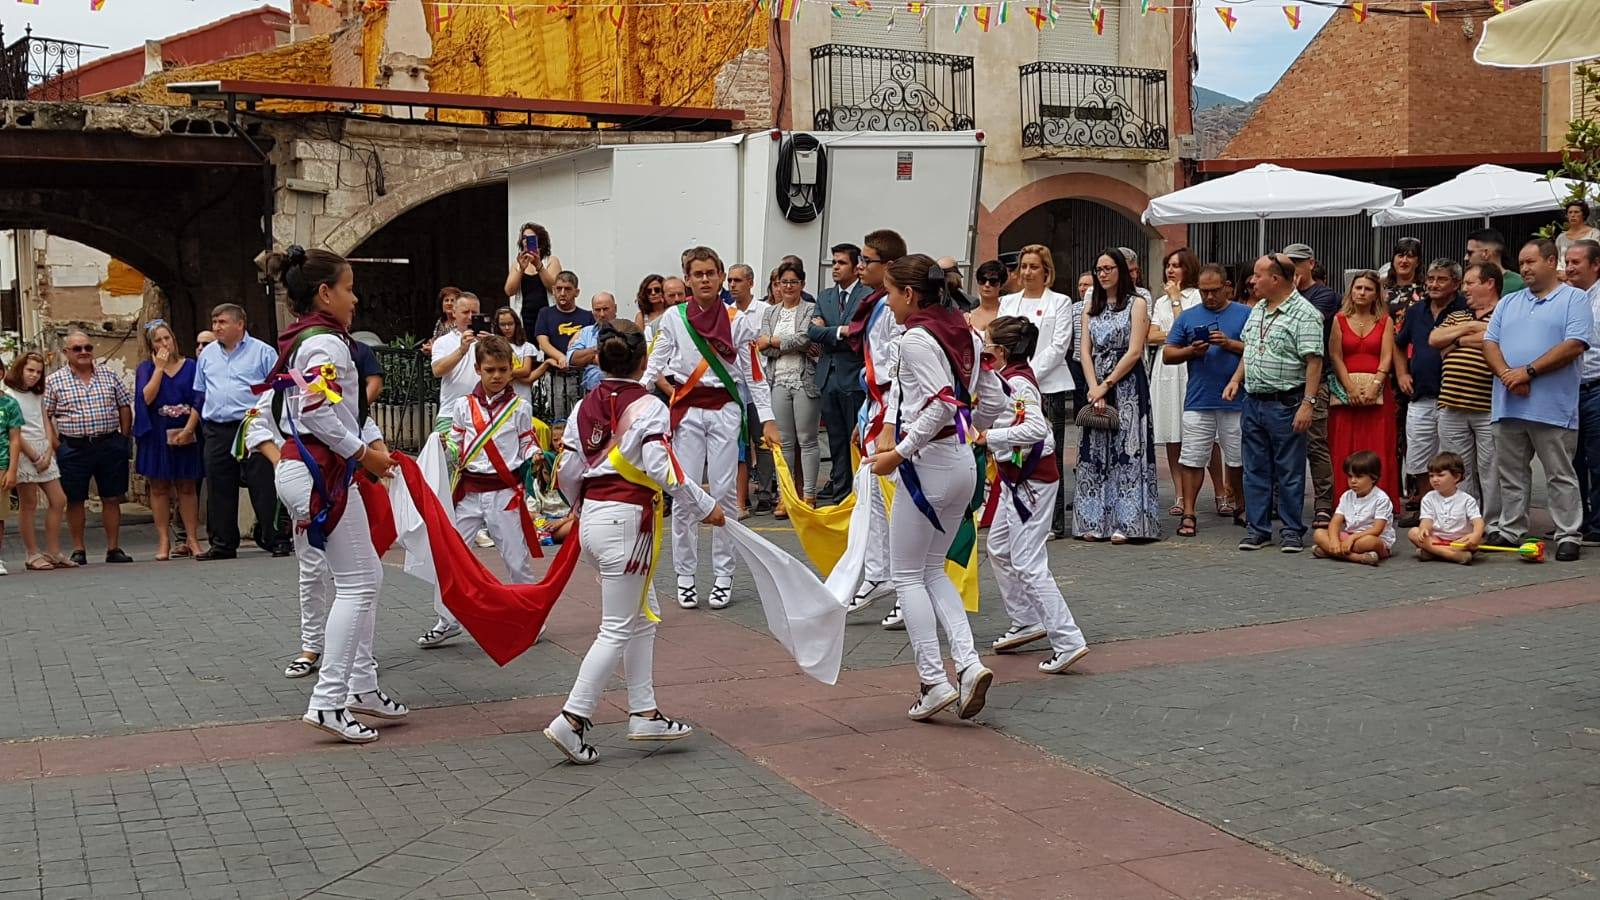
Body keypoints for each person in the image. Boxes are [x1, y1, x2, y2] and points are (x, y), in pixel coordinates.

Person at [546, 321, 722, 764]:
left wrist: (580, 508)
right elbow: (663, 467)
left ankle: (643, 712)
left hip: (593, 520)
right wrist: (704, 505)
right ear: (644, 361)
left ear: (600, 359)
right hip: (629, 521)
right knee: (618, 626)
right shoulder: (649, 405)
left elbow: (568, 470)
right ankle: (571, 719)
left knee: (643, 615)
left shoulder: (584, 403)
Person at [264, 245, 405, 743]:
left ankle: (361, 686)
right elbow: (316, 413)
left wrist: (366, 448)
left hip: (318, 471)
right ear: (325, 292)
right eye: (348, 287)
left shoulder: (312, 340)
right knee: (359, 582)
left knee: (365, 575)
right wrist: (362, 453)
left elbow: (332, 413)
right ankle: (329, 700)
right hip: (317, 474)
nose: (355, 297)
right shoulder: (324, 344)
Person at [868, 254, 1005, 721]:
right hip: (961, 463)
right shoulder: (964, 329)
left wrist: (899, 452)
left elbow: (942, 404)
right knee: (932, 570)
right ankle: (967, 664)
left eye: (889, 293)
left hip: (928, 466)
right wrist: (973, 433)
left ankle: (934, 679)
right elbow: (991, 398)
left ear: (909, 294)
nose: (887, 303)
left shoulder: (916, 339)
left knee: (907, 574)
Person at [645, 246, 780, 610]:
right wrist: (632, 394)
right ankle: (685, 576)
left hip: (724, 411)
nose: (705, 279)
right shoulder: (674, 318)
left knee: (723, 496)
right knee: (686, 495)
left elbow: (754, 374)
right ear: (687, 279)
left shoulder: (739, 321)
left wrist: (766, 419)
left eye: (711, 273)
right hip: (686, 411)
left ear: (721, 277)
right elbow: (656, 361)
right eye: (697, 274)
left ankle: (724, 575)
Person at [415, 335, 541, 650]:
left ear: (511, 370)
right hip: (468, 491)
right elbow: (458, 445)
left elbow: (527, 442)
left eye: (502, 369)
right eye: (489, 370)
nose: (496, 376)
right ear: (478, 370)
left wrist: (537, 454)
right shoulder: (462, 406)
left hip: (504, 493)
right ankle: (447, 620)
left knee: (515, 558)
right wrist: (448, 446)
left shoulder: (519, 408)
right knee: (452, 555)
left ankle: (529, 617)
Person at [978, 315, 1089, 673]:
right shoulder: (1006, 380)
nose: (983, 347)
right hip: (1016, 478)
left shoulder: (1018, 384)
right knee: (999, 546)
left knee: (1028, 561)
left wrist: (989, 438)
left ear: (1001, 351)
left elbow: (1036, 428)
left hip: (1032, 481)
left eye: (987, 342)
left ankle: (1068, 639)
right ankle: (1026, 619)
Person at [1482, 239, 1592, 561]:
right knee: (1511, 473)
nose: (1525, 269)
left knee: (1560, 474)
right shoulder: (1509, 302)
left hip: (1552, 406)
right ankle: (1511, 529)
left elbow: (1575, 344)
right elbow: (1490, 342)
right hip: (1508, 402)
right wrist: (1507, 374)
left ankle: (1569, 533)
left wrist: (1527, 372)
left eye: (1531, 262)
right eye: (1521, 263)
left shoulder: (1574, 298)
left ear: (1551, 261)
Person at [1224, 254, 1325, 553]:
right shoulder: (1257, 311)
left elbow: (1314, 362)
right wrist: (1235, 379)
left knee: (1289, 470)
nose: (1252, 281)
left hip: (1286, 402)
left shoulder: (1305, 314)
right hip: (1253, 401)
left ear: (1276, 279)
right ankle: (1258, 529)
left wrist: (1308, 403)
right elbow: (1250, 350)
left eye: (1257, 275)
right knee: (1254, 468)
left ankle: (1292, 530)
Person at [843, 229, 908, 626]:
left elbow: (897, 370)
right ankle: (878, 573)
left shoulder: (894, 309)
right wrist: (864, 415)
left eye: (867, 260)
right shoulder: (877, 305)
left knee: (896, 499)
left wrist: (888, 420)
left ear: (888, 266)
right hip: (875, 406)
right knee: (867, 495)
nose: (861, 265)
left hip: (892, 412)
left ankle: (905, 585)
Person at [1074, 249, 1160, 543]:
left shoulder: (1136, 303)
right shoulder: (1091, 304)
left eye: (1109, 268)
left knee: (1127, 449)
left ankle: (1129, 520)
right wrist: (1093, 387)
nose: (1103, 274)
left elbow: (1136, 350)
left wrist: (1106, 385)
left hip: (1126, 383)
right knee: (1095, 449)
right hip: (1096, 378)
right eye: (1099, 269)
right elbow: (1084, 349)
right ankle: (1093, 519)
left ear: (1121, 270)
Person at [1163, 263, 1250, 537]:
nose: (1209, 297)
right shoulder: (1188, 317)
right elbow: (1168, 354)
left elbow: (1258, 350)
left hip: (1236, 399)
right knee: (1192, 458)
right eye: (1203, 292)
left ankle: (1240, 505)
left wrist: (1229, 344)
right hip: (1199, 398)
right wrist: (1192, 350)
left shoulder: (1245, 314)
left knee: (1237, 458)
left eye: (1214, 291)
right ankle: (1189, 512)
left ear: (1227, 287)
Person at [194, 304, 283, 560]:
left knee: (263, 482)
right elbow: (201, 390)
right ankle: (222, 543)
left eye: (222, 322)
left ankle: (275, 538)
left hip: (252, 426)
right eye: (214, 322)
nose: (216, 327)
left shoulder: (263, 353)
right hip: (217, 428)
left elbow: (275, 390)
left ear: (239, 324)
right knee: (219, 484)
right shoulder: (208, 355)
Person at [999, 245, 1076, 539]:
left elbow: (1059, 345)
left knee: (1049, 452)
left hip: (1050, 385)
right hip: (1014, 386)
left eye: (1034, 266)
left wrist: (1029, 375)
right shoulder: (1008, 303)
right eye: (1024, 266)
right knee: (1015, 449)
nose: (1028, 272)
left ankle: (1054, 521)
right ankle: (1016, 512)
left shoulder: (1060, 301)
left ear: (1046, 271)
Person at [44, 330, 134, 566]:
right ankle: (78, 549)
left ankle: (113, 548)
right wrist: (55, 444)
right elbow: (45, 414)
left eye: (88, 348)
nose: (84, 352)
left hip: (108, 443)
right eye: (77, 349)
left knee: (112, 497)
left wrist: (124, 437)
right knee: (74, 499)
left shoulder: (108, 374)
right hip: (73, 446)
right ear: (66, 353)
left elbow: (124, 404)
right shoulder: (54, 381)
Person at [1394, 259, 1467, 526]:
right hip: (1421, 395)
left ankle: (1454, 516)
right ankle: (1428, 512)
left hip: (1455, 396)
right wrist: (1401, 373)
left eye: (1441, 280)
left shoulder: (1466, 308)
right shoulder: (1416, 311)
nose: (1434, 285)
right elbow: (1398, 344)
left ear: (1456, 283)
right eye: (1431, 279)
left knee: (1451, 457)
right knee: (1419, 458)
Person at [1431, 262, 1504, 525]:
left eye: (1470, 283)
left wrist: (1458, 341)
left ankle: (1492, 523)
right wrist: (1470, 329)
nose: (1465, 289)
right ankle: (1462, 522)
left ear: (1490, 283)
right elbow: (1435, 339)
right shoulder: (1458, 314)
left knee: (1491, 470)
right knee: (1457, 469)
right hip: (1451, 405)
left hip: (1488, 407)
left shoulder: (1504, 312)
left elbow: (1498, 337)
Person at [1327, 270, 1400, 512]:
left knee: (1378, 445)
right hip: (1346, 393)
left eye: (1368, 289)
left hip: (1377, 392)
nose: (1362, 292)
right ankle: (1344, 503)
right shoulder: (1339, 319)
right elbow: (1335, 356)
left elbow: (1387, 356)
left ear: (1376, 294)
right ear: (1351, 291)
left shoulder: (1385, 321)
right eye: (1358, 288)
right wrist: (1349, 387)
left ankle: (1381, 505)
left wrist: (1375, 385)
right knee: (1343, 446)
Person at [134, 320, 204, 561]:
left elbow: (198, 399)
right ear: (151, 345)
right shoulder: (146, 369)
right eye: (158, 340)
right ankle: (163, 539)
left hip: (186, 429)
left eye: (167, 338)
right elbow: (146, 398)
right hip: (157, 432)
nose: (164, 344)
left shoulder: (191, 366)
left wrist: (189, 428)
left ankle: (192, 538)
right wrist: (159, 369)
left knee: (187, 486)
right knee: (159, 487)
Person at [809, 243, 871, 506]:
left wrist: (831, 331)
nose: (835, 267)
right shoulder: (824, 296)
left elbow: (858, 333)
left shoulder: (866, 295)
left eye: (841, 262)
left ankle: (861, 494)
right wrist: (839, 331)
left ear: (856, 267)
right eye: (833, 262)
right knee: (835, 439)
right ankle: (841, 493)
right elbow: (812, 333)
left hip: (853, 375)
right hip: (828, 376)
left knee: (854, 438)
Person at [1283, 243, 1340, 528]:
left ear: (1311, 264)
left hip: (1315, 380)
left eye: (1297, 262)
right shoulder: (1281, 296)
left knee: (1316, 443)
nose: (1292, 268)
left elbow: (1307, 321)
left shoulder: (1325, 296)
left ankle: (1323, 504)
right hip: (1284, 380)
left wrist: (1290, 292)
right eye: (1288, 263)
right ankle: (1281, 501)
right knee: (1284, 442)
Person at [759, 260, 819, 513]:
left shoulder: (810, 309)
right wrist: (787, 343)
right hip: (778, 381)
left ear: (802, 284)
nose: (788, 286)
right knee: (784, 443)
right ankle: (787, 496)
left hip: (805, 380)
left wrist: (774, 340)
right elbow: (762, 346)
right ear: (777, 286)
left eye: (794, 282)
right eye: (784, 282)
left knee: (807, 440)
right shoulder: (770, 313)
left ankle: (809, 495)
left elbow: (806, 337)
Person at [4, 352, 73, 571]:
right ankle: (32, 553)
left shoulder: (37, 393)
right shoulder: (9, 393)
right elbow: (14, 431)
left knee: (59, 499)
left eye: (38, 372)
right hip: (24, 451)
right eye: (30, 370)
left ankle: (53, 551)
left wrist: (50, 449)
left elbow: (45, 421)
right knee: (29, 503)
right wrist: (33, 455)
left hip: (43, 449)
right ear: (20, 369)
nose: (34, 376)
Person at [1149, 248, 1203, 516]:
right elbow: (1151, 334)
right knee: (1171, 432)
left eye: (1177, 265)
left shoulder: (1195, 296)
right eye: (1168, 265)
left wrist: (1174, 300)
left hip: (1188, 366)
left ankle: (1213, 490)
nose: (1171, 270)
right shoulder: (1159, 301)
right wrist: (1173, 335)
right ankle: (1179, 494)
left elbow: (1189, 328)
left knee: (1195, 430)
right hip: (1165, 368)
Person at [728, 263, 775, 518]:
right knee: (739, 445)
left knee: (762, 440)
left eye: (737, 280)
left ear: (750, 283)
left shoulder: (765, 311)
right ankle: (739, 494)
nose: (732, 285)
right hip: (735, 388)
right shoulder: (726, 313)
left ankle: (766, 491)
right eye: (730, 281)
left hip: (759, 384)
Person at [1563, 240, 1600, 542]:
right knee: (1570, 461)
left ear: (1595, 264)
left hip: (1596, 387)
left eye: (1576, 262)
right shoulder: (1564, 298)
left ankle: (1599, 525)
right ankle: (1577, 522)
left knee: (1597, 460)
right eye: (1567, 261)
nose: (1569, 267)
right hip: (1566, 391)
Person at [1313, 450, 1396, 566]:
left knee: (1370, 542)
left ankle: (1331, 552)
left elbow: (1377, 529)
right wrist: (1334, 540)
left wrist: (1352, 539)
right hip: (1349, 536)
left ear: (1373, 478)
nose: (1353, 481)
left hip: (1370, 538)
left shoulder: (1381, 498)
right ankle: (1357, 557)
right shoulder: (1347, 496)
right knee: (1319, 533)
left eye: (1359, 477)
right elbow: (1335, 523)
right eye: (1350, 476)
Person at [533, 271, 595, 421]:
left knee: (583, 417)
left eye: (567, 289)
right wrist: (561, 357)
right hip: (556, 375)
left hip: (581, 375)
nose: (562, 293)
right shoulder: (545, 313)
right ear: (553, 289)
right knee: (558, 419)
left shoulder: (587, 316)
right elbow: (542, 342)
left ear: (576, 292)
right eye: (558, 288)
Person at [1406, 451, 1484, 564]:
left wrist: (1476, 535)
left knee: (1477, 541)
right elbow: (1426, 520)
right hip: (1436, 539)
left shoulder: (1467, 499)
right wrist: (1424, 529)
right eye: (1431, 476)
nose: (1434, 479)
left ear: (1456, 477)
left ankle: (1432, 552)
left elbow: (1478, 522)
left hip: (1459, 541)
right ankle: (1451, 555)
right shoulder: (1428, 498)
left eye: (1440, 475)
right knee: (1413, 532)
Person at [430, 292, 488, 432]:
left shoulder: (490, 341)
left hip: (484, 411)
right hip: (450, 413)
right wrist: (462, 350)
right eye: (465, 312)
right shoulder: (442, 342)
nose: (469, 317)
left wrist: (489, 345)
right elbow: (437, 371)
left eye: (474, 313)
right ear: (454, 313)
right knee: (448, 452)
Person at [504, 222, 561, 326]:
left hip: (547, 315)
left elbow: (555, 288)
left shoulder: (551, 261)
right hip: (524, 317)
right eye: (524, 238)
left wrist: (539, 266)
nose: (526, 241)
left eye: (531, 238)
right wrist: (521, 269)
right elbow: (509, 291)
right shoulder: (517, 263)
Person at [494, 306, 549, 409]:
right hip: (500, 398)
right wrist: (513, 373)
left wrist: (505, 372)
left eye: (510, 324)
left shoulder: (526, 346)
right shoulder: (494, 347)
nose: (507, 328)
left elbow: (525, 371)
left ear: (516, 324)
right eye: (502, 325)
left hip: (522, 396)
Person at [566, 292, 619, 393]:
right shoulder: (586, 332)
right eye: (597, 310)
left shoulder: (626, 329)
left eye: (606, 309)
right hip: (592, 392)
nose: (602, 314)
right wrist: (597, 350)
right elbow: (571, 358)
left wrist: (589, 358)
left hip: (619, 391)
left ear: (615, 308)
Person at [1465, 229, 1524, 295]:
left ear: (1486, 253)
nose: (1466, 258)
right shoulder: (1470, 284)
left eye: (1470, 253)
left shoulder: (1518, 285)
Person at [1556, 201, 1600, 275]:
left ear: (1583, 215)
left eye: (1576, 212)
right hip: (1565, 276)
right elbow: (1558, 259)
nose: (1573, 215)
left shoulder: (1594, 234)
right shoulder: (1561, 238)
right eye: (1570, 212)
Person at [967, 260, 1006, 334]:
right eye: (982, 280)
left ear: (1001, 285)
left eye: (993, 281)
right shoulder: (967, 317)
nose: (987, 285)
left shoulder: (1008, 313)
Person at [424, 286, 461, 354]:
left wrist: (434, 349)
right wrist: (428, 346)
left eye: (452, 300)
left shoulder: (461, 323)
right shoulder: (440, 322)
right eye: (446, 300)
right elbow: (434, 339)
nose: (449, 303)